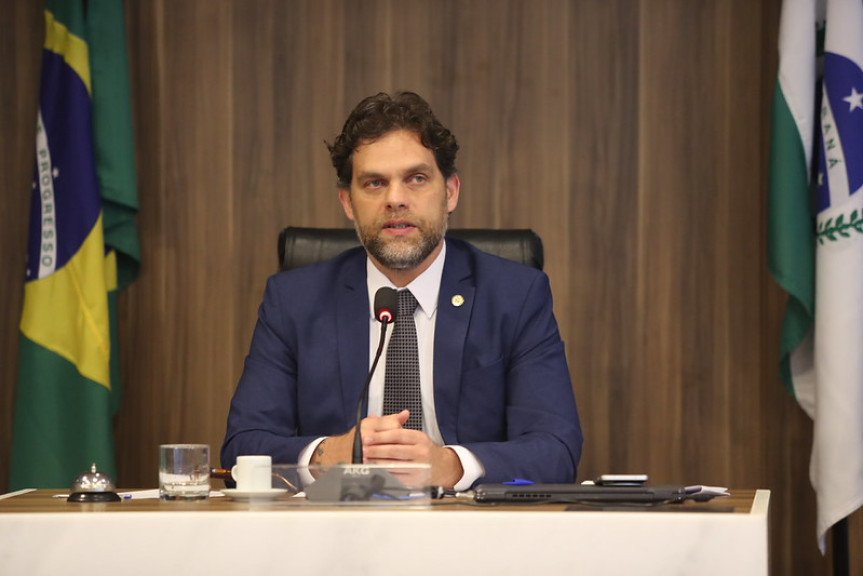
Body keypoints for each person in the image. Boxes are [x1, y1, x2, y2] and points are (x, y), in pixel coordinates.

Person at [221, 91, 582, 490]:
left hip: (467, 523)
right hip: (339, 520)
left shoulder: (515, 296)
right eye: (374, 183)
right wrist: (328, 455)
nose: (395, 199)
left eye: (417, 179)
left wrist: (451, 466)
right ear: (348, 202)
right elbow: (242, 448)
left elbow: (556, 450)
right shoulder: (294, 301)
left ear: (450, 192)